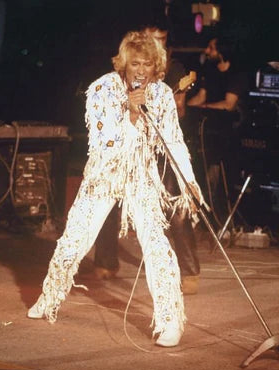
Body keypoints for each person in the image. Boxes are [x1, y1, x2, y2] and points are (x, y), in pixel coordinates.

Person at [27, 30, 203, 348]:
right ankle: (49, 297)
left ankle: (170, 320)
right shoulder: (102, 90)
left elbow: (174, 142)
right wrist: (131, 114)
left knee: (158, 247)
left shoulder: (162, 95)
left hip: (141, 177)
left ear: (156, 67)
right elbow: (104, 144)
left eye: (147, 65)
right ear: (124, 63)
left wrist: (190, 183)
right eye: (135, 63)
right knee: (73, 242)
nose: (140, 71)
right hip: (104, 176)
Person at [93, 21, 201, 295]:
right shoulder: (116, 79)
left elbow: (178, 118)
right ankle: (105, 260)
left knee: (176, 207)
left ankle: (189, 269)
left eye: (161, 39)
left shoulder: (173, 70)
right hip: (125, 149)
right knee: (111, 203)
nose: (156, 43)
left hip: (159, 149)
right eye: (152, 38)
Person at [187, 36, 249, 225]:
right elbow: (200, 97)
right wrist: (183, 108)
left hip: (229, 134)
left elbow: (229, 104)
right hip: (208, 131)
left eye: (211, 48)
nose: (207, 51)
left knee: (218, 175)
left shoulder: (237, 74)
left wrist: (204, 107)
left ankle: (219, 216)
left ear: (222, 52)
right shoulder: (210, 70)